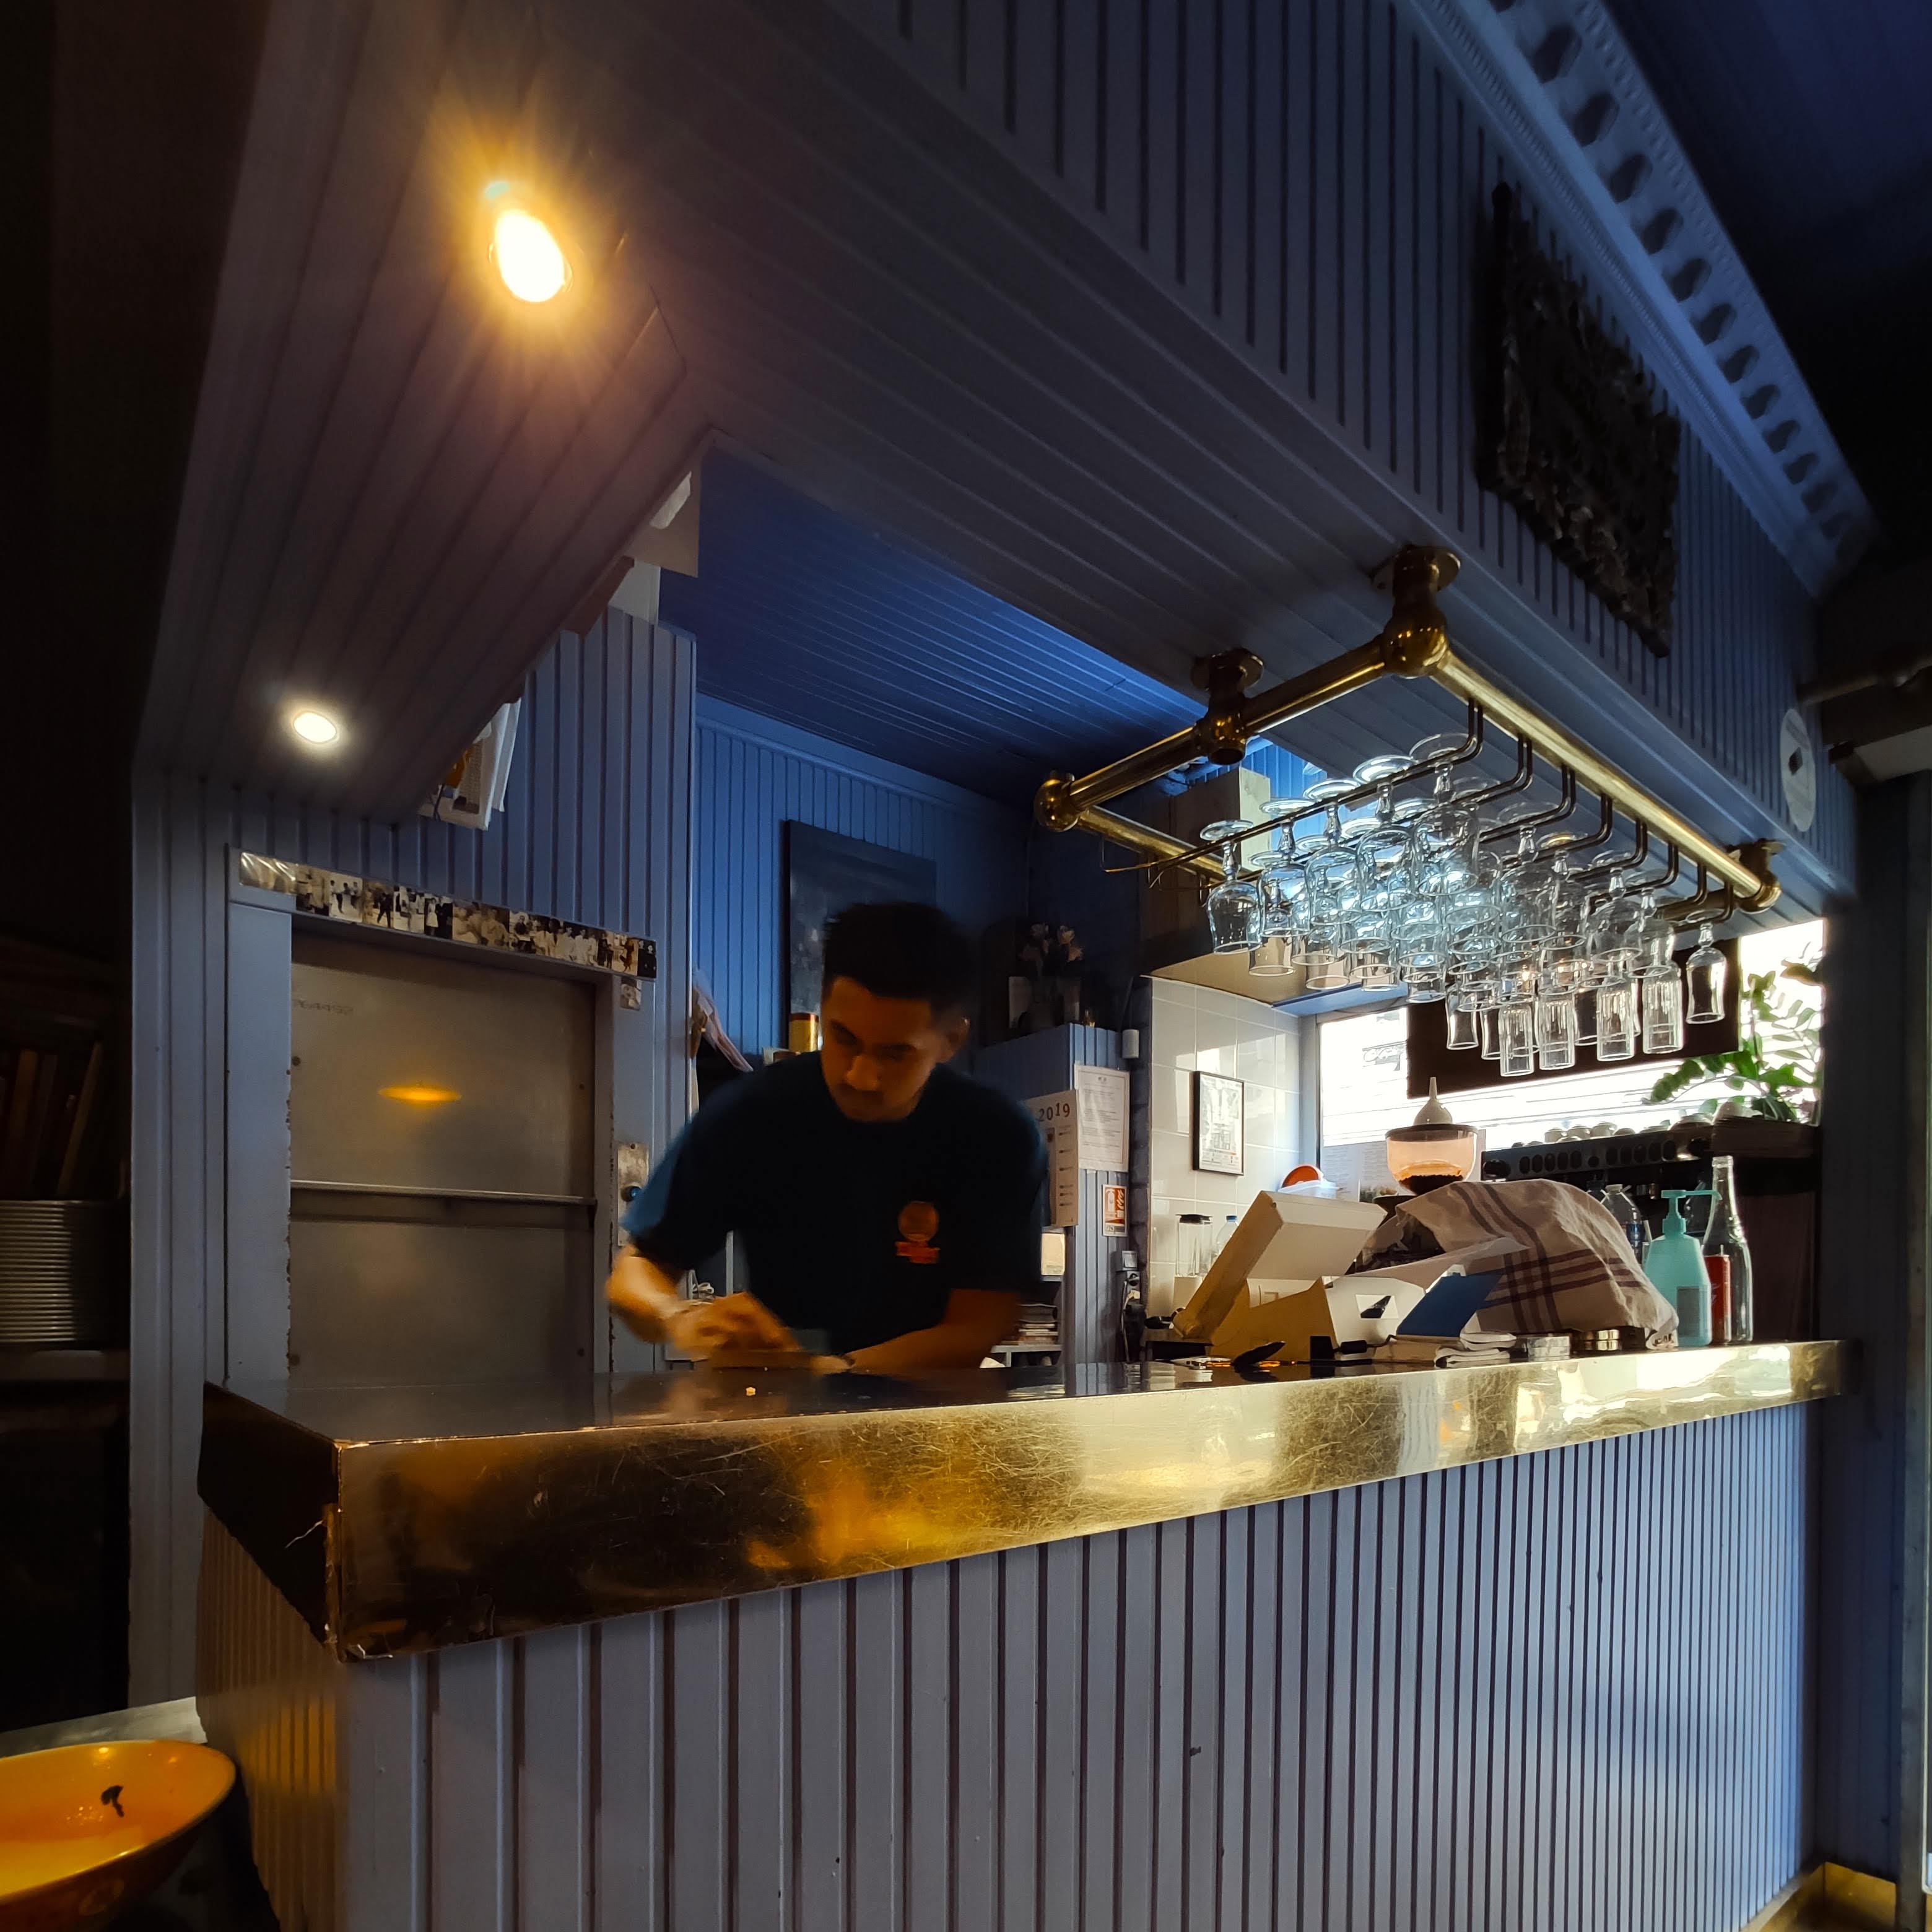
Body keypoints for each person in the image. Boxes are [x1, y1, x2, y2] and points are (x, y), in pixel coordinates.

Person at [607, 902, 1047, 1371]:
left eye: (895, 1054)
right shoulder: (752, 1113)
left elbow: (976, 1327)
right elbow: (633, 1276)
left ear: (951, 1041)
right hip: (783, 1391)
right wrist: (681, 1316)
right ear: (822, 1005)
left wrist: (827, 1374)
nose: (860, 1076)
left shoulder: (996, 1136)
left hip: (929, 1397)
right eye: (844, 1038)